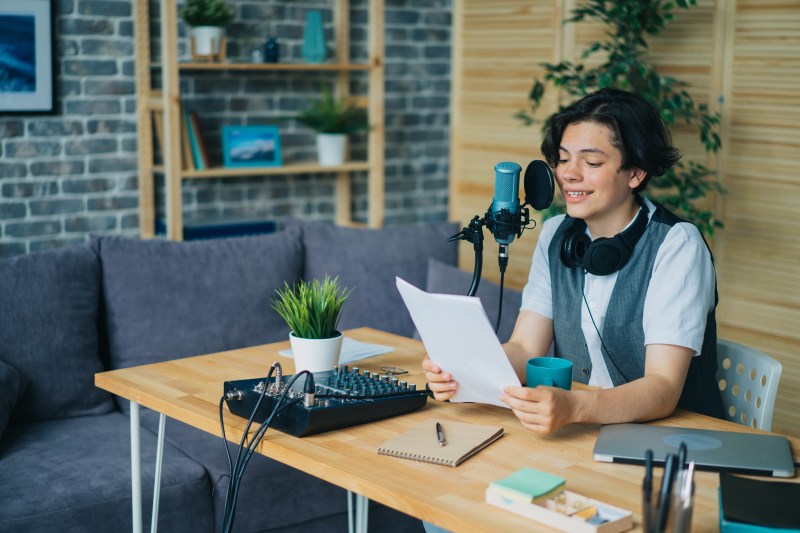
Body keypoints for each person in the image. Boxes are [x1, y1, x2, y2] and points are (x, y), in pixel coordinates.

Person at [424, 88, 724, 434]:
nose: (569, 174)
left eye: (592, 162)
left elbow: (663, 388)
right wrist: (463, 370)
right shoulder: (556, 235)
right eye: (564, 159)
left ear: (635, 174)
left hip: (677, 442)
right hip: (585, 431)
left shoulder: (677, 245)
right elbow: (523, 348)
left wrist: (575, 407)